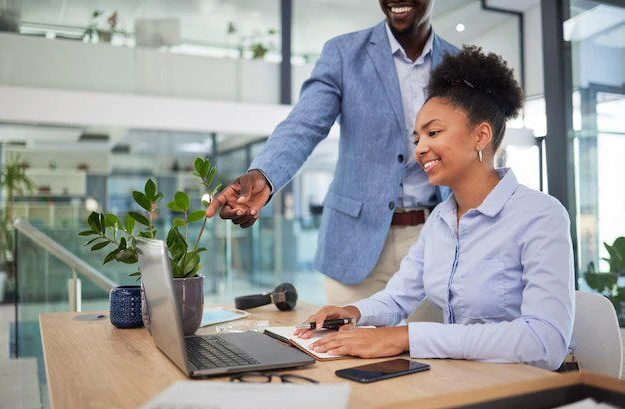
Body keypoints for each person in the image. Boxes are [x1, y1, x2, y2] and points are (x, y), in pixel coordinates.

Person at [294, 46, 575, 371]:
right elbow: (398, 297)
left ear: (481, 136)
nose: (420, 149)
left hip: (521, 386)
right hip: (459, 377)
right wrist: (354, 313)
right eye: (417, 139)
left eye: (433, 133)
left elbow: (546, 342)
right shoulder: (441, 219)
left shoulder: (540, 216)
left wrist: (407, 338)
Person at [206, 1, 459, 311]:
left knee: (432, 353)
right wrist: (264, 176)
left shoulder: (458, 63)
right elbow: (304, 125)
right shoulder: (344, 53)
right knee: (348, 353)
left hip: (433, 239)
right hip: (354, 246)